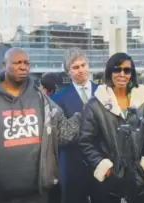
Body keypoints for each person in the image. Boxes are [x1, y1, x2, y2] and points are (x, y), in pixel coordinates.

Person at [0, 48, 81, 203]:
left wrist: (85, 115)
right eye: (17, 62)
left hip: (37, 194)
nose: (23, 67)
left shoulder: (42, 100)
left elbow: (64, 133)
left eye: (26, 63)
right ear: (4, 65)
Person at [79, 52, 144, 203]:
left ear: (132, 73)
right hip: (108, 184)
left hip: (141, 182)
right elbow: (86, 141)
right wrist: (103, 166)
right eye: (117, 70)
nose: (122, 74)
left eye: (127, 70)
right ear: (110, 72)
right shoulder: (95, 104)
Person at [51, 47, 98, 203]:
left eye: (83, 65)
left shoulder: (104, 92)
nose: (81, 70)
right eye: (75, 67)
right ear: (68, 72)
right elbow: (59, 135)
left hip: (102, 162)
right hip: (72, 165)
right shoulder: (58, 99)